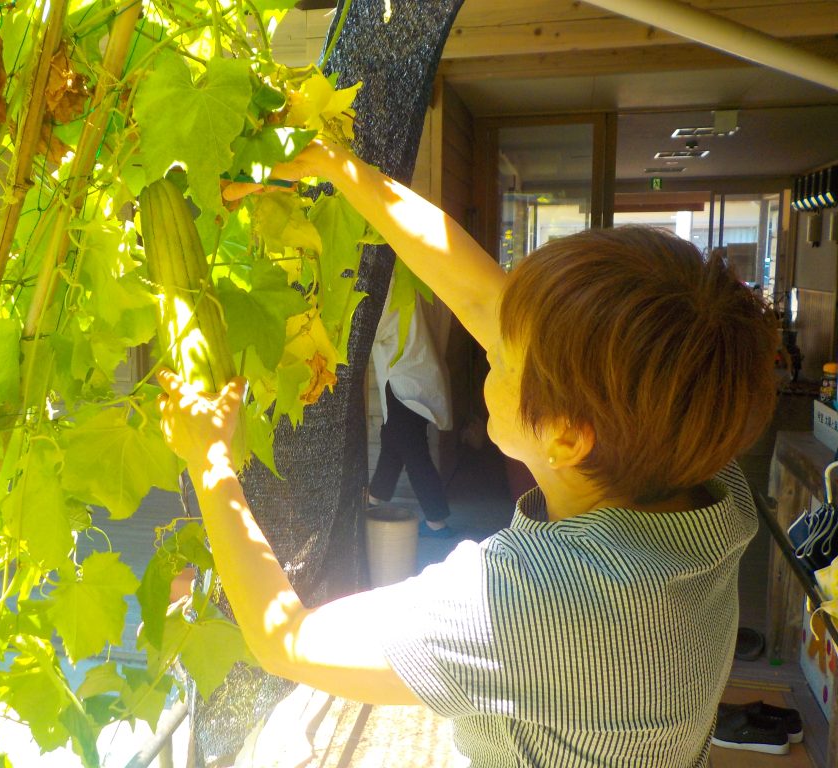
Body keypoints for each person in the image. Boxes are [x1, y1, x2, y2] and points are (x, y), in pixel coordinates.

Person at [157, 139, 778, 766]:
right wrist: (337, 169)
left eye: (503, 357)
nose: (487, 347)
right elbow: (482, 297)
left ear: (566, 437)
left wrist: (210, 462)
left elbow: (288, 641)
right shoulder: (697, 449)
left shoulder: (536, 605)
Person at [369, 281, 454, 537]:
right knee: (394, 437)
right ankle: (373, 499)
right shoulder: (432, 276)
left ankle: (436, 521)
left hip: (401, 373)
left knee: (412, 448)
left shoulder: (396, 278)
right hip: (423, 369)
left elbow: (379, 327)